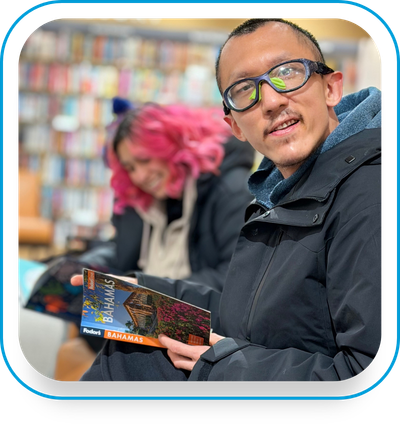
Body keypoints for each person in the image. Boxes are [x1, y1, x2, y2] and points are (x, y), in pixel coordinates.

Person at [73, 17, 383, 382]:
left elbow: (365, 369)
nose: (271, 100)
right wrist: (139, 291)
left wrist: (223, 366)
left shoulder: (372, 193)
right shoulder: (276, 194)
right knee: (130, 347)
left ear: (331, 88)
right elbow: (246, 314)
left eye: (287, 73)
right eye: (244, 90)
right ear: (235, 126)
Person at [54, 101, 255, 380]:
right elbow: (121, 250)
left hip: (198, 330)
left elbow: (233, 279)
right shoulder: (144, 201)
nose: (139, 176)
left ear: (173, 148)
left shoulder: (230, 190)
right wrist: (84, 265)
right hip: (147, 321)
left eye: (145, 160)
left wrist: (151, 291)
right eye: (129, 167)